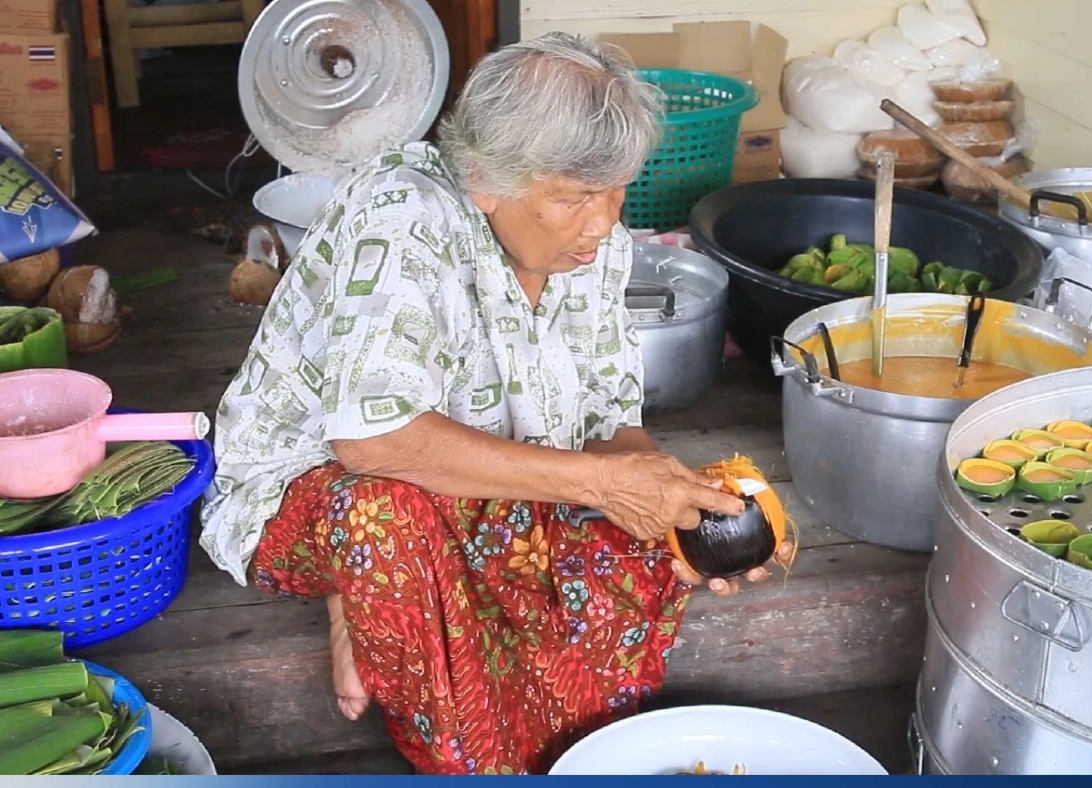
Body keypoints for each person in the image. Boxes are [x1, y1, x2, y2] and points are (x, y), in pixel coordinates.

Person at [200, 32, 793, 775]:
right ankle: (466, 753)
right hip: (322, 494)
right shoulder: (405, 215)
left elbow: (609, 429)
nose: (604, 221)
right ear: (484, 177)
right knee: (388, 519)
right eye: (575, 197)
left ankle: (573, 755)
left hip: (492, 491)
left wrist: (689, 502)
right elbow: (373, 445)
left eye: (616, 189)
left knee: (638, 554)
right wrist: (606, 484)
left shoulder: (595, 245)